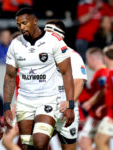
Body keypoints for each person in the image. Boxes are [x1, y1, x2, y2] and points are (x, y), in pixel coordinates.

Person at [3, 7, 74, 150]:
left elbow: (67, 73)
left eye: (24, 23)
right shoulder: (15, 44)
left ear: (35, 21)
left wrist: (70, 104)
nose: (22, 28)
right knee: (27, 147)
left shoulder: (54, 41)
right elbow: (10, 76)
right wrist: (6, 106)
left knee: (40, 142)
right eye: (18, 25)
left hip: (48, 99)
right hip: (24, 102)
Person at [44, 19, 87, 150]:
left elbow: (79, 81)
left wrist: (69, 103)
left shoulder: (72, 56)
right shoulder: (40, 57)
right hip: (46, 109)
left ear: (59, 35)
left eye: (48, 33)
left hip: (67, 109)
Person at [79, 47, 109, 150]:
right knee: (100, 144)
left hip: (98, 114)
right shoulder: (102, 72)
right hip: (100, 113)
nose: (87, 62)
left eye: (87, 59)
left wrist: (90, 103)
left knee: (84, 142)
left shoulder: (102, 73)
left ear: (92, 59)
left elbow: (104, 90)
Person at [95, 45, 113, 150]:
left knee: (100, 142)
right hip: (109, 112)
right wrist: (104, 107)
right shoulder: (110, 73)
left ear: (105, 58)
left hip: (112, 116)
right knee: (99, 142)